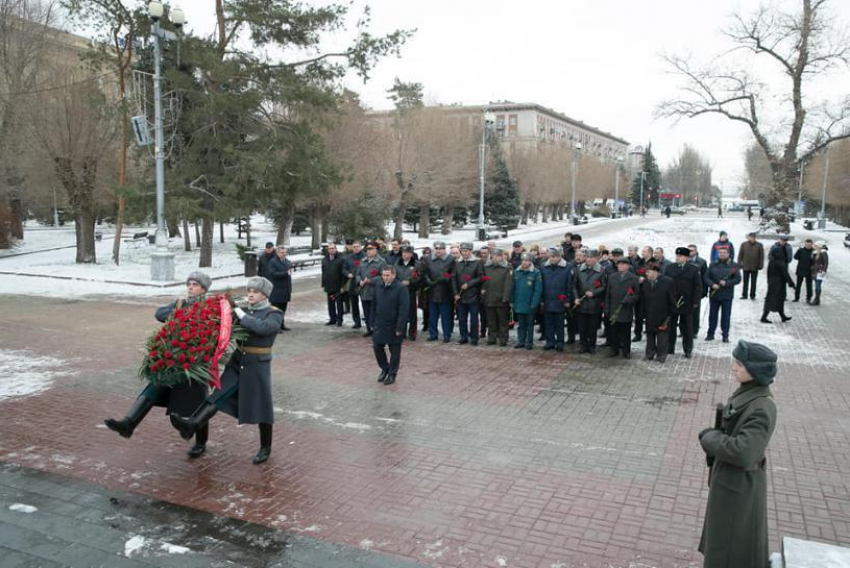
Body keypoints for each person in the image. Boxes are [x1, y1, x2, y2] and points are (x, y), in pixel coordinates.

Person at [172, 277, 283, 465]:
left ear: (264, 294)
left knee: (262, 406)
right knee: (218, 395)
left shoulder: (274, 313)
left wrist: (240, 313)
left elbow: (262, 329)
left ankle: (265, 446)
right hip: (237, 360)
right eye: (249, 291)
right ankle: (193, 423)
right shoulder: (244, 311)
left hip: (258, 364)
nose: (250, 294)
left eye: (254, 292)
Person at [104, 272, 213, 457]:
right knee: (155, 386)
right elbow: (159, 313)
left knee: (197, 404)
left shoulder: (210, 307)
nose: (190, 287)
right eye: (189, 284)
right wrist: (180, 313)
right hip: (174, 361)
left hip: (196, 364)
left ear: (203, 288)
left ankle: (200, 443)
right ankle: (129, 423)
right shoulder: (181, 303)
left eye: (195, 284)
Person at [699, 340, 777, 568]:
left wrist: (710, 438)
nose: (734, 367)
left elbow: (743, 452)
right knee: (723, 544)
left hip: (739, 487)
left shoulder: (762, 407)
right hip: (730, 483)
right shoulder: (749, 393)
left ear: (756, 372)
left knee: (733, 550)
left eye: (740, 364)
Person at [371, 266, 409, 386]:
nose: (385, 278)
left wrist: (400, 327)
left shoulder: (401, 288)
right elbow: (374, 304)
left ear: (393, 275)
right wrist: (371, 321)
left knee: (395, 351)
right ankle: (384, 368)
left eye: (388, 275)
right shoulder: (378, 285)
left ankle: (392, 373)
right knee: (377, 346)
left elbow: (404, 310)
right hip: (380, 323)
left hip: (394, 325)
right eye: (383, 275)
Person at [664, 247, 702, 358]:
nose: (678, 258)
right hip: (673, 302)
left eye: (680, 256)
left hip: (687, 302)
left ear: (686, 257)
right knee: (671, 326)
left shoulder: (693, 269)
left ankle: (688, 349)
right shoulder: (670, 268)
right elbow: (665, 284)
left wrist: (695, 301)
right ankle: (670, 347)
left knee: (687, 327)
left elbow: (697, 287)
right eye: (677, 256)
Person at [704, 248, 742, 343]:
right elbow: (706, 277)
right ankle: (710, 334)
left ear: (728, 254)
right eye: (720, 252)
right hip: (714, 294)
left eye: (724, 253)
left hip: (727, 295)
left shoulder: (733, 265)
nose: (722, 254)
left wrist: (727, 283)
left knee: (726, 316)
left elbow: (738, 279)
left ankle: (725, 335)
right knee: (712, 316)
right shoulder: (713, 264)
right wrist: (712, 284)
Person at [640, 262, 675, 363]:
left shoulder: (668, 281)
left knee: (662, 336)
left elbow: (672, 299)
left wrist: (670, 313)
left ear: (656, 272)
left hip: (663, 314)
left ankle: (661, 355)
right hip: (650, 313)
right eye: (646, 272)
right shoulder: (646, 282)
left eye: (649, 272)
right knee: (650, 334)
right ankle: (649, 353)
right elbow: (643, 298)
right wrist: (643, 313)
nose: (647, 274)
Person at [573, 249, 606, 354]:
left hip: (594, 303)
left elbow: (604, 286)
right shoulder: (579, 269)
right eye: (587, 257)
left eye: (592, 258)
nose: (589, 260)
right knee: (582, 327)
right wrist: (575, 298)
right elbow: (573, 285)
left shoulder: (601, 270)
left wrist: (594, 292)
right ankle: (583, 345)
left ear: (596, 259)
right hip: (581, 303)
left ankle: (592, 345)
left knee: (592, 327)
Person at [605, 258, 639, 358]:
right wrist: (607, 308)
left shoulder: (633, 278)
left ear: (627, 266)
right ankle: (614, 350)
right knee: (613, 331)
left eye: (623, 264)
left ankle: (626, 351)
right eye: (619, 264)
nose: (620, 266)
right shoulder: (612, 277)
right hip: (613, 308)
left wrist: (629, 300)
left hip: (626, 309)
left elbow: (637, 295)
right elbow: (608, 294)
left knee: (626, 333)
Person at [540, 247, 572, 352]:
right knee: (548, 323)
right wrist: (541, 299)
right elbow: (541, 284)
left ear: (559, 257)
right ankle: (550, 342)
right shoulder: (544, 267)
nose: (552, 259)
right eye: (551, 257)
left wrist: (567, 299)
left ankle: (560, 342)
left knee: (559, 323)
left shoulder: (567, 267)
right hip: (548, 298)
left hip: (560, 300)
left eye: (554, 257)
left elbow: (569, 285)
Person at [422, 241, 455, 343]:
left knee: (446, 315)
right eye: (436, 249)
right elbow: (425, 272)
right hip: (432, 290)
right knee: (433, 315)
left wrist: (445, 278)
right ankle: (433, 334)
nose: (438, 251)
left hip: (445, 290)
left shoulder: (450, 259)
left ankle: (446, 335)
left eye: (440, 249)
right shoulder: (428, 259)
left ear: (444, 249)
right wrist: (428, 280)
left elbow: (452, 273)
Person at [453, 242, 483, 345]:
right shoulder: (457, 263)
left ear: (471, 251)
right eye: (463, 251)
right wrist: (455, 293)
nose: (464, 253)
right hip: (461, 296)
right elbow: (453, 278)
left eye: (466, 251)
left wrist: (469, 284)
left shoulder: (477, 263)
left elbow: (481, 277)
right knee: (462, 319)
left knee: (474, 319)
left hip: (473, 295)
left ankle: (474, 337)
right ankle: (463, 336)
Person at [481, 249, 513, 347]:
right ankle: (492, 338)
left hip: (501, 298)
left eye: (497, 256)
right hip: (489, 297)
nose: (495, 258)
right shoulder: (487, 267)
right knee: (491, 320)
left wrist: (505, 298)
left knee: (503, 321)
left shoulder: (507, 267)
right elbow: (484, 280)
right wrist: (483, 290)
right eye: (493, 256)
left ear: (502, 257)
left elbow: (508, 284)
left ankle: (503, 339)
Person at [511, 252, 543, 350]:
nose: (525, 262)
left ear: (531, 262)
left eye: (527, 260)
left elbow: (538, 290)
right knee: (521, 324)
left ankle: (529, 342)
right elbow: (512, 288)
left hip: (530, 303)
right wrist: (512, 301)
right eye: (523, 260)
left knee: (530, 324)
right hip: (519, 302)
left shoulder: (536, 273)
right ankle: (521, 341)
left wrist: (534, 303)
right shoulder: (516, 272)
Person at [356, 242, 386, 337]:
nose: (369, 251)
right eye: (368, 249)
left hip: (375, 291)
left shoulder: (381, 262)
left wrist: (371, 280)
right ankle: (369, 328)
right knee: (366, 312)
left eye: (371, 249)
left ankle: (376, 329)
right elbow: (357, 274)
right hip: (364, 291)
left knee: (376, 312)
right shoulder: (363, 261)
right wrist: (359, 281)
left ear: (376, 250)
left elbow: (383, 276)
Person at [761, 247, 795, 324]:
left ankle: (782, 316)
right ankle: (764, 317)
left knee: (777, 300)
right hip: (779, 285)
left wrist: (769, 282)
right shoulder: (781, 263)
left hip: (772, 283)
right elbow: (785, 275)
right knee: (773, 301)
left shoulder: (772, 262)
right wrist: (791, 284)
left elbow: (768, 273)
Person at [396, 245, 420, 339]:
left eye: (407, 253)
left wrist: (410, 282)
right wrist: (399, 283)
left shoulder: (416, 264)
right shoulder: (397, 263)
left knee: (412, 313)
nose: (405, 254)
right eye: (403, 252)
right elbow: (394, 275)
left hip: (411, 291)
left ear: (411, 254)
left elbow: (419, 277)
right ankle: (402, 332)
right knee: (401, 313)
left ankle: (412, 333)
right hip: (399, 291)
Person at [267, 246, 292, 331]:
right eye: (282, 252)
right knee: (275, 310)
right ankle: (275, 327)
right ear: (277, 253)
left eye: (285, 252)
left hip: (285, 290)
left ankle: (281, 324)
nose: (284, 254)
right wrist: (286, 273)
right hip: (276, 290)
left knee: (283, 309)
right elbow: (273, 274)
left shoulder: (287, 261)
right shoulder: (273, 262)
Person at [321, 243, 346, 327]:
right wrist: (323, 283)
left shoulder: (341, 259)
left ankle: (339, 320)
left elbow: (343, 274)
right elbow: (323, 272)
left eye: (333, 248)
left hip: (338, 285)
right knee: (330, 304)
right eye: (330, 249)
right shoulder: (325, 259)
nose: (331, 250)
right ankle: (332, 319)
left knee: (339, 304)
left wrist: (343, 286)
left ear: (336, 249)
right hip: (329, 285)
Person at [342, 241, 365, 329]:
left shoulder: (365, 256)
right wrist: (348, 274)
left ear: (360, 247)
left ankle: (368, 321)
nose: (356, 248)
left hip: (362, 283)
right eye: (354, 246)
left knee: (365, 303)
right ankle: (356, 322)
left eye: (357, 246)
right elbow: (344, 269)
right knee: (354, 304)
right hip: (352, 283)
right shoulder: (348, 258)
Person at [688, 244, 708, 337]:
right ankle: (684, 329)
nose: (690, 252)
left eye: (692, 250)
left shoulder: (702, 262)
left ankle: (694, 331)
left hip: (696, 290)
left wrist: (704, 291)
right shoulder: (685, 260)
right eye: (689, 250)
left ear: (696, 251)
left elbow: (705, 277)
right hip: (686, 290)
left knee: (695, 312)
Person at [737, 232, 764, 300]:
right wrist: (739, 263)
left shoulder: (759, 245)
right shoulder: (744, 244)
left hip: (755, 266)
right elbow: (740, 255)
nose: (752, 238)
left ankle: (752, 294)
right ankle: (744, 294)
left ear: (755, 238)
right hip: (746, 266)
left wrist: (761, 264)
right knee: (745, 281)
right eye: (750, 237)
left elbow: (761, 256)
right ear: (748, 237)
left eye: (753, 237)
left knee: (753, 281)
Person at [793, 238, 815, 303]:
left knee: (809, 285)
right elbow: (795, 257)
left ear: (812, 244)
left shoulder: (814, 251)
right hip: (800, 270)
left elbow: (816, 261)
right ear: (804, 244)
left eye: (809, 245)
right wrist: (798, 251)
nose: (808, 246)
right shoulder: (801, 250)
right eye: (807, 244)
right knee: (798, 285)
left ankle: (808, 298)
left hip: (809, 271)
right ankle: (796, 297)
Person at [812, 241, 828, 306]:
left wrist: (824, 271)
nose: (815, 247)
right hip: (815, 271)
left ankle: (816, 299)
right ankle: (817, 299)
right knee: (816, 285)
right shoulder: (815, 253)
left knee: (818, 285)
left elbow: (826, 262)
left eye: (816, 246)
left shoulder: (823, 253)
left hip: (820, 271)